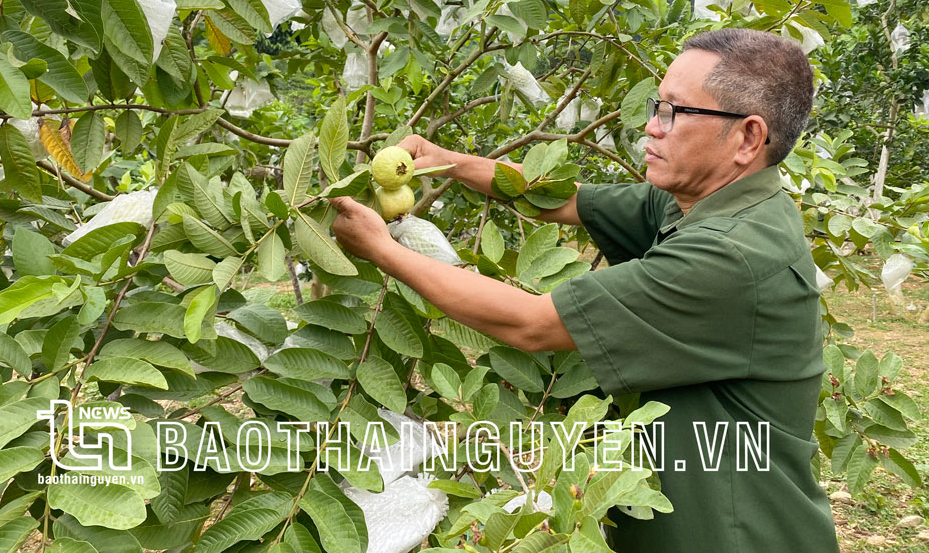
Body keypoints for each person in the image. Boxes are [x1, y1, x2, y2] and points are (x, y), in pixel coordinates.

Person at [328, 29, 840, 552]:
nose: (651, 126)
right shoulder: (710, 201)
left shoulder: (731, 253)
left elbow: (530, 323)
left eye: (674, 112)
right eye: (655, 105)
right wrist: (445, 160)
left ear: (748, 138)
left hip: (738, 534)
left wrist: (383, 249)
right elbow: (559, 199)